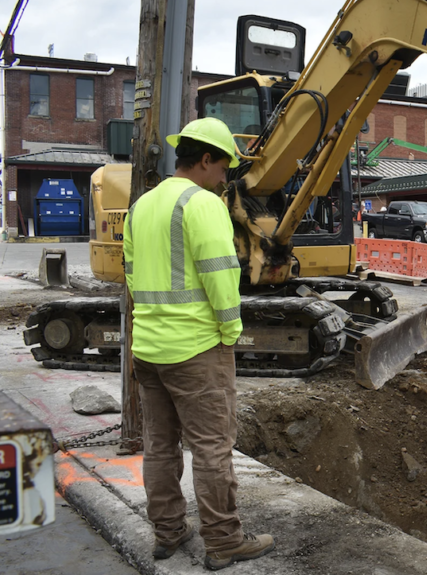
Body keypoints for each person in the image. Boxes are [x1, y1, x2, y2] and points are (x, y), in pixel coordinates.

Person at [124, 117, 275, 571]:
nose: (226, 176)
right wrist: (229, 334)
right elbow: (221, 278)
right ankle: (224, 541)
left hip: (148, 349)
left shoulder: (142, 205)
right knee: (212, 448)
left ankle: (168, 532)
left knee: (160, 446)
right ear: (206, 159)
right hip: (195, 349)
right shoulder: (203, 204)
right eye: (224, 164)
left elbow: (130, 276)